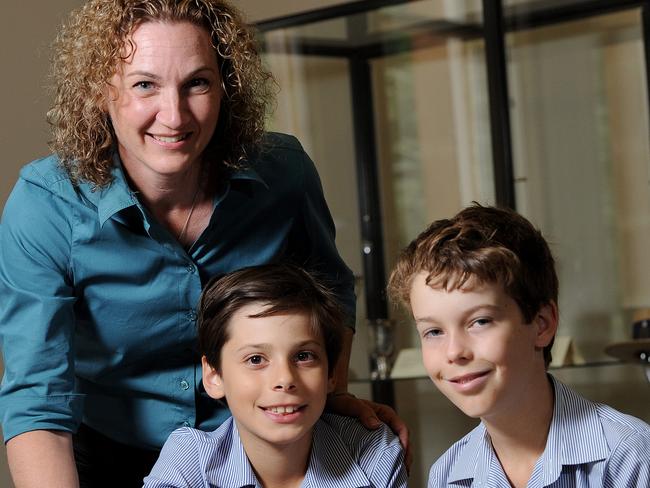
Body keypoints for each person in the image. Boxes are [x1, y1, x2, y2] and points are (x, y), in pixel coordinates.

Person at [0, 1, 406, 486]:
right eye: (145, 84)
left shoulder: (285, 174)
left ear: (225, 88)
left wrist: (328, 392)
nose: (173, 115)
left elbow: (331, 296)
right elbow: (38, 394)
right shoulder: (47, 204)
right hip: (109, 456)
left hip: (254, 451)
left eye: (197, 83)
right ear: (100, 92)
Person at [388, 204, 650, 488]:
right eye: (434, 331)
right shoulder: (448, 475)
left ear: (542, 324)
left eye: (480, 321)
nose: (454, 352)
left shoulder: (631, 456)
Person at [144, 264, 408, 487]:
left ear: (331, 373)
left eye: (304, 356)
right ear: (214, 376)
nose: (285, 379)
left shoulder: (373, 451)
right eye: (256, 359)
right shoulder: (189, 460)